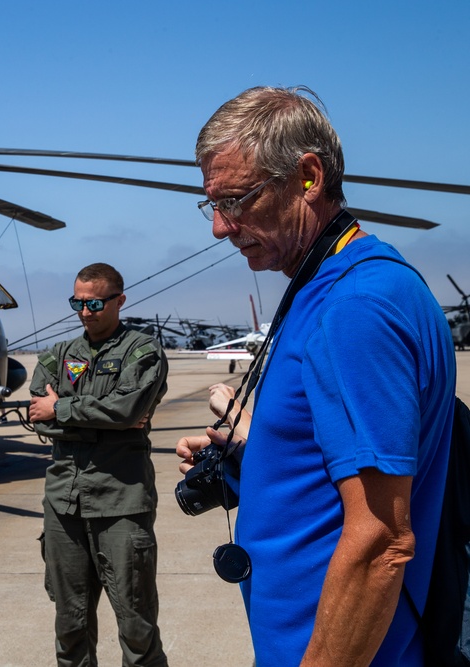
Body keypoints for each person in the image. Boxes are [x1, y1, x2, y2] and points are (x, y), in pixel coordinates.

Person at [176, 86, 457, 665]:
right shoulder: (333, 285)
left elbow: (382, 539)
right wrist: (260, 452)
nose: (220, 228)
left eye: (235, 200)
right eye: (212, 206)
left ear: (308, 177)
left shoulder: (354, 308)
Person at [29, 262, 170, 667]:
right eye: (78, 302)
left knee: (136, 624)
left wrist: (64, 409)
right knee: (69, 624)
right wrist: (109, 420)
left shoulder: (142, 351)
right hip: (63, 503)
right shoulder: (59, 354)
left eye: (94, 303)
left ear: (119, 300)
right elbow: (39, 413)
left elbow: (128, 407)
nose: (85, 311)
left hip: (120, 504)